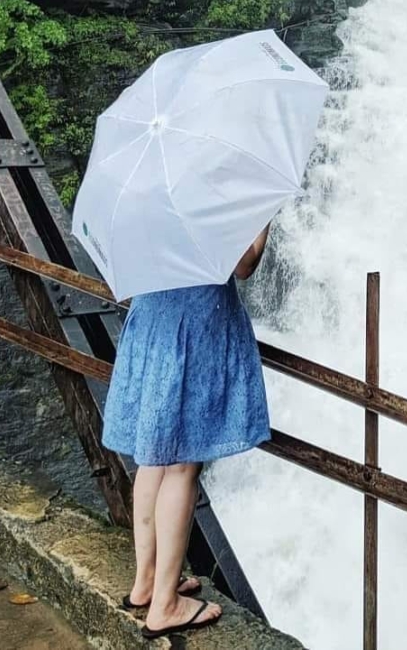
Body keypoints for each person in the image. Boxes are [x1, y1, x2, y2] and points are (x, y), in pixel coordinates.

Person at [101, 223, 273, 640]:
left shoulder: (150, 183)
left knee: (154, 461)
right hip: (192, 327)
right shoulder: (209, 189)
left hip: (152, 320)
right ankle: (166, 605)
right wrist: (260, 225)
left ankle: (147, 582)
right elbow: (244, 264)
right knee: (181, 468)